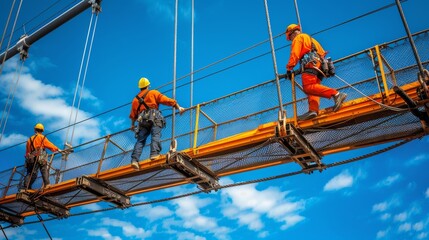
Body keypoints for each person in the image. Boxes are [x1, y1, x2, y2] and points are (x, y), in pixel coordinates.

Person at [285, 24, 347, 121]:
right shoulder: (312, 40)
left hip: (310, 64)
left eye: (290, 37)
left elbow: (295, 54)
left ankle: (336, 94)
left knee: (308, 87)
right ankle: (313, 110)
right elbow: (322, 53)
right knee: (313, 88)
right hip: (320, 66)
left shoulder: (298, 38)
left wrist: (289, 68)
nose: (291, 39)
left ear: (292, 33)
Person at [130, 77, 185, 170]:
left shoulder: (135, 100)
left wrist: (132, 125)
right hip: (154, 117)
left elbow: (133, 114)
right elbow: (166, 100)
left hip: (142, 121)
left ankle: (134, 160)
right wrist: (178, 107)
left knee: (140, 140)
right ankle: (154, 154)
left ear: (140, 87)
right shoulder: (153, 93)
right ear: (148, 85)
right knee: (155, 135)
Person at [22, 123, 61, 191]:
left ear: (35, 130)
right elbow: (49, 144)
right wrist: (57, 149)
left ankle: (25, 187)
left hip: (31, 158)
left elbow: (27, 152)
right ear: (42, 131)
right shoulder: (41, 137)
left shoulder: (29, 140)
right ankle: (47, 184)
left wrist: (28, 157)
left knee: (31, 173)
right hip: (40, 155)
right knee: (43, 169)